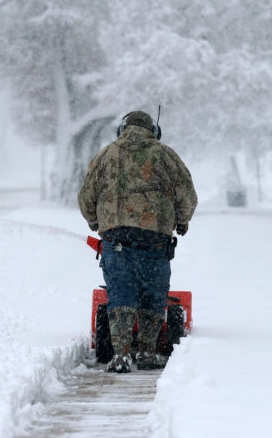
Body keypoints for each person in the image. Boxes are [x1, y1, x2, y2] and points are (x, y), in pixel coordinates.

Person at [78, 110, 198, 373]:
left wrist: (96, 223)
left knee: (120, 293)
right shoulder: (165, 155)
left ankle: (120, 356)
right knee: (153, 295)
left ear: (122, 130)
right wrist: (181, 221)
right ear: (154, 132)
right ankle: (146, 352)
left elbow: (87, 196)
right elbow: (186, 194)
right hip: (155, 241)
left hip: (116, 239)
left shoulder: (106, 154)